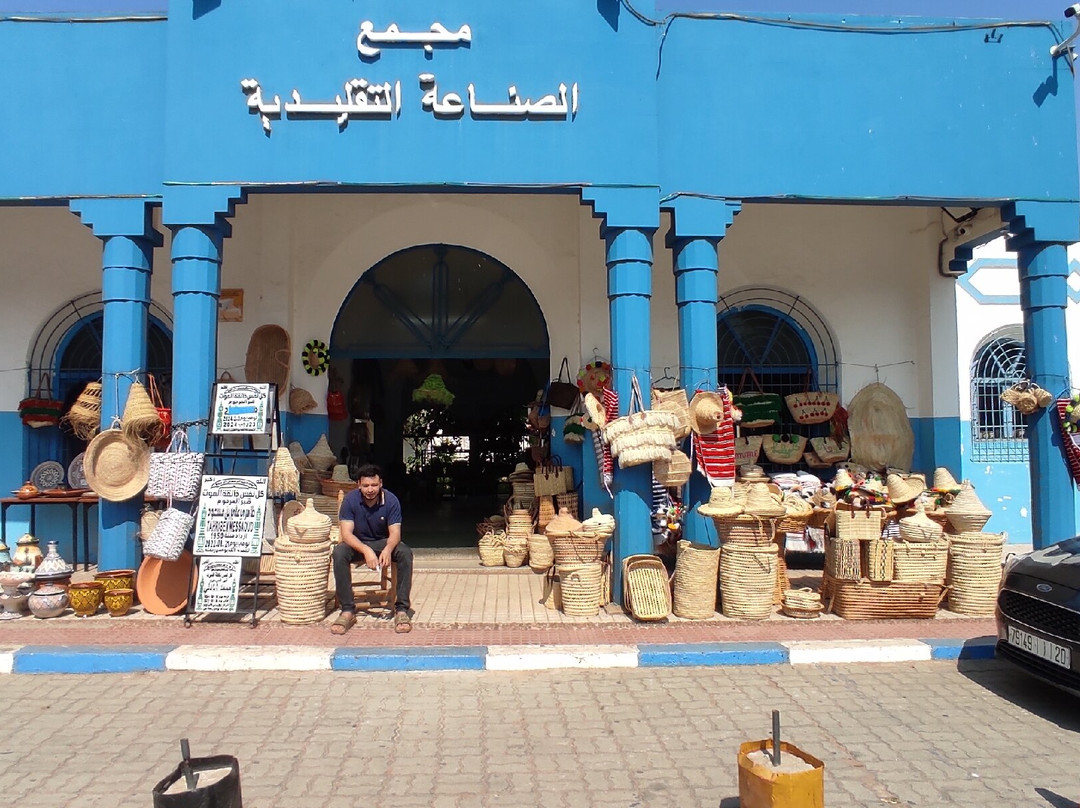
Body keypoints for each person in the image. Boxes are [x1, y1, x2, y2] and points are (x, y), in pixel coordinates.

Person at [331, 463, 414, 634]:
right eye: (366, 485)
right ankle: (347, 609)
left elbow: (395, 533)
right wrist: (366, 550)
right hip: (357, 543)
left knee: (405, 552)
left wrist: (388, 549)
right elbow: (346, 534)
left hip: (382, 542)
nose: (370, 490)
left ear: (381, 483)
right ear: (359, 485)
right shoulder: (350, 500)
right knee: (339, 552)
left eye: (374, 485)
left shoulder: (391, 500)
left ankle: (401, 609)